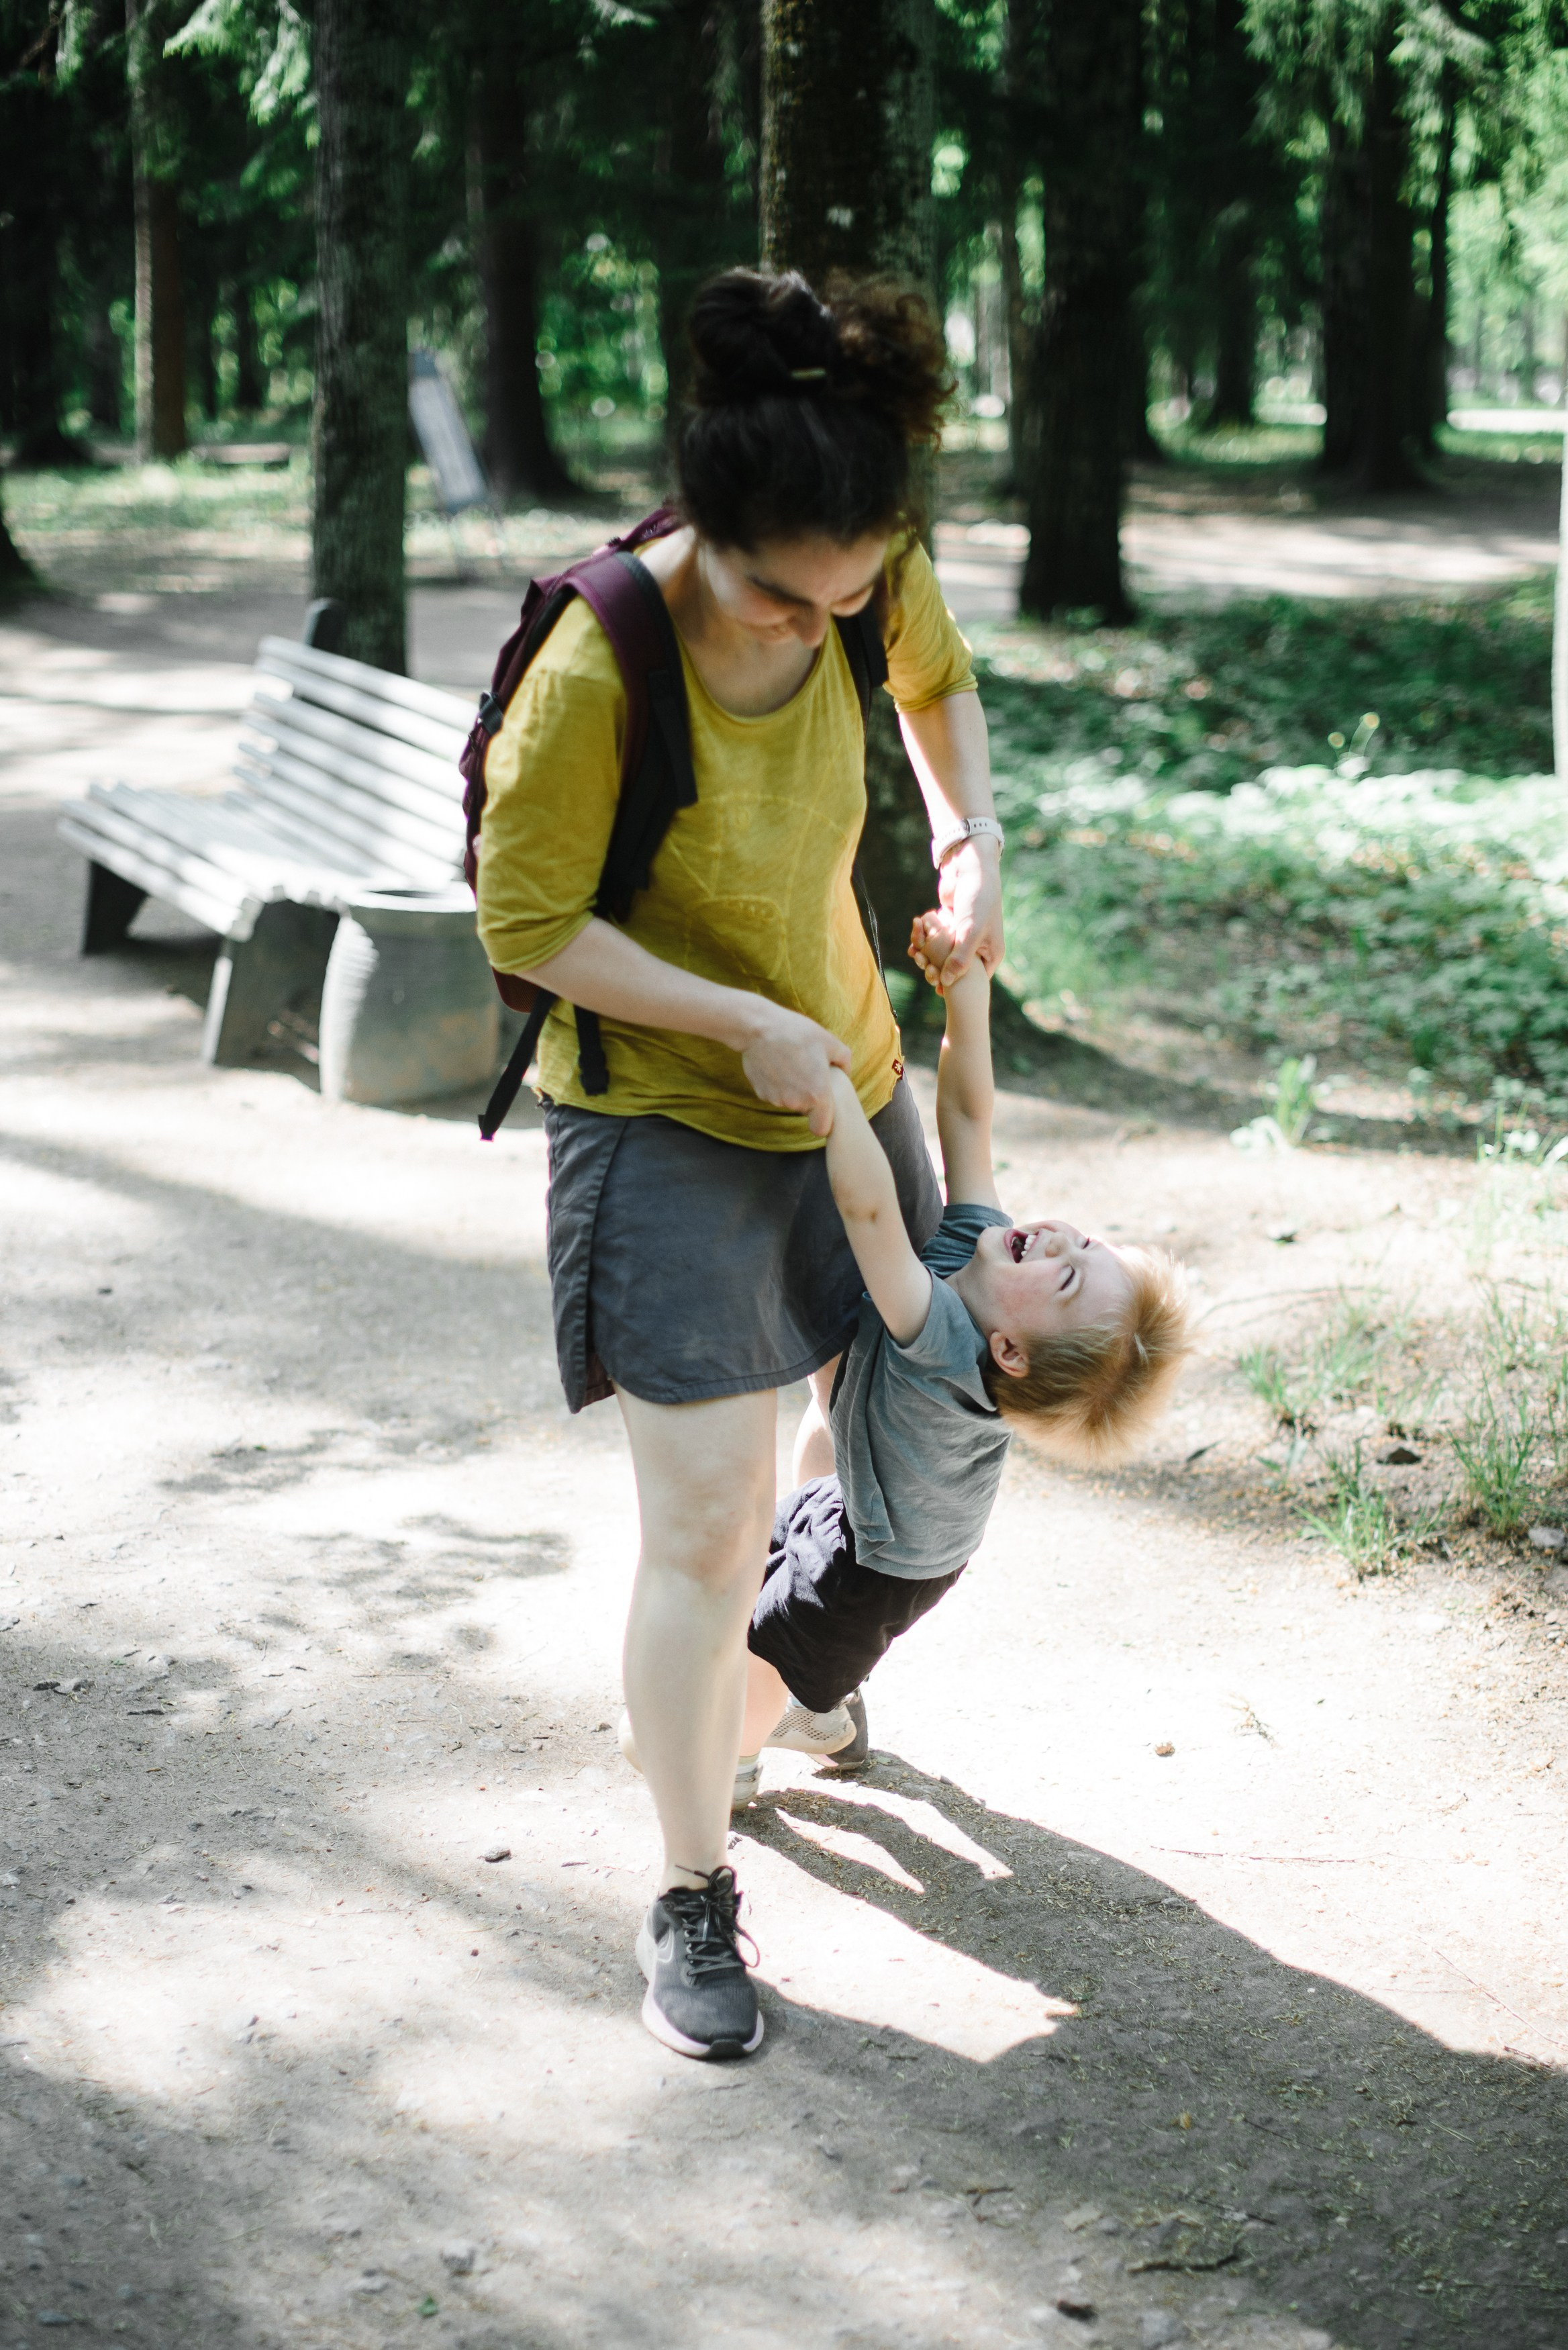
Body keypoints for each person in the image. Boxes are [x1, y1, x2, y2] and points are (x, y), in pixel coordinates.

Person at [473, 265, 1002, 2062]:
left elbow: (943, 690)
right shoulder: (600, 655)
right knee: (700, 1527)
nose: (821, 623)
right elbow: (527, 916)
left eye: (849, 594)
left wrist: (967, 837)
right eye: (787, 596)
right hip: (674, 1124)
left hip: (848, 1082)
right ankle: (691, 1880)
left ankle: (775, 1686)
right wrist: (728, 1020)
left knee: (862, 1445)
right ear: (708, 521)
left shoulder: (863, 570)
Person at [733, 912, 1193, 1804]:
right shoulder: (988, 1252)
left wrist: (835, 1104)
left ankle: (749, 1749)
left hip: (874, 1572)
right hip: (904, 1509)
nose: (1059, 1242)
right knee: (820, 1458)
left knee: (762, 1645)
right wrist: (968, 991)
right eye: (1084, 1245)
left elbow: (871, 1216)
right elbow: (970, 1117)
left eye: (1065, 1279)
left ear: (1009, 1350)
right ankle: (824, 1708)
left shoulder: (945, 1339)